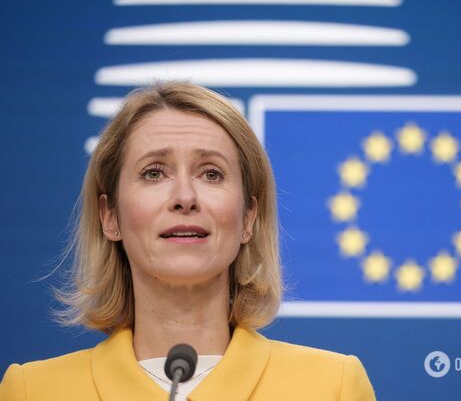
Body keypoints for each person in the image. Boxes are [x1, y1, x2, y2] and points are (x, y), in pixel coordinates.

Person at [0, 82, 376, 400]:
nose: (185, 197)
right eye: (154, 173)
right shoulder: (31, 391)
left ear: (248, 217)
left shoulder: (334, 387)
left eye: (211, 174)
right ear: (109, 216)